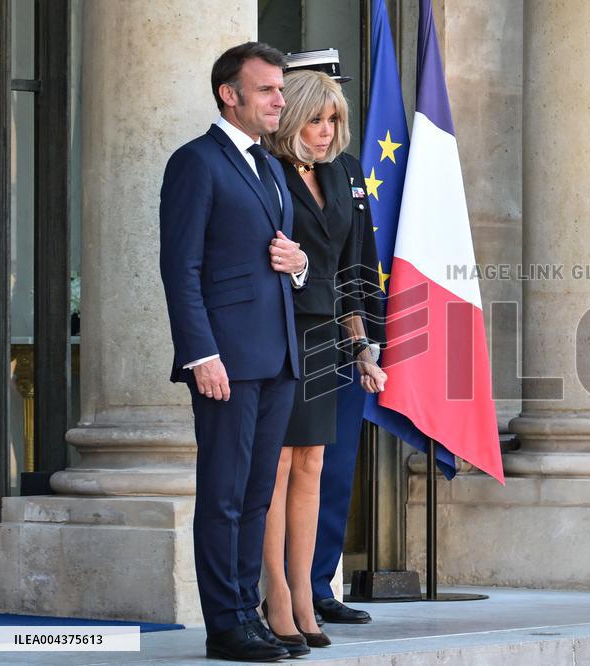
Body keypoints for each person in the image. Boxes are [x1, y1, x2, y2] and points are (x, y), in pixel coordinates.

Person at [159, 41, 312, 661]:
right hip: (225, 360)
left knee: (255, 495)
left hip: (277, 356)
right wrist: (201, 354)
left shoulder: (272, 166)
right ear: (232, 94)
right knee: (223, 493)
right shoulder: (196, 162)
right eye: (270, 89)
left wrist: (298, 265)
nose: (281, 99)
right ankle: (225, 625)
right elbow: (181, 267)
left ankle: (249, 616)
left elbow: (278, 257)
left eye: (281, 88)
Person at [259, 59, 387, 647]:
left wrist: (364, 346)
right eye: (316, 118)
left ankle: (310, 591)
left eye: (334, 119)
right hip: (276, 330)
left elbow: (355, 266)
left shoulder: (345, 174)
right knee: (278, 467)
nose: (327, 131)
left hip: (328, 337)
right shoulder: (267, 171)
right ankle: (276, 594)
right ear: (291, 118)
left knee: (312, 463)